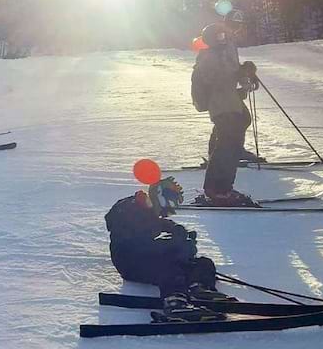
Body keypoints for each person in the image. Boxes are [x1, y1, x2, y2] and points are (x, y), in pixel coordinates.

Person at [105, 177, 228, 321]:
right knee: (170, 268)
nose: (168, 211)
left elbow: (157, 223)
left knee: (203, 263)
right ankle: (175, 302)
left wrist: (176, 231)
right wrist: (174, 245)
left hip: (141, 257)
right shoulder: (129, 213)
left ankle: (200, 288)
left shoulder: (144, 209)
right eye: (169, 205)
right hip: (129, 263)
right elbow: (138, 247)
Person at [192, 22, 259, 206]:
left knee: (239, 127)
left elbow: (230, 72)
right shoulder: (208, 56)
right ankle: (218, 190)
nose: (224, 38)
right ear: (212, 39)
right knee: (229, 145)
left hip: (229, 101)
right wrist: (239, 73)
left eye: (225, 35)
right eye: (220, 36)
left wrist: (244, 72)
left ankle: (218, 186)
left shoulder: (224, 51)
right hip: (221, 104)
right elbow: (214, 79)